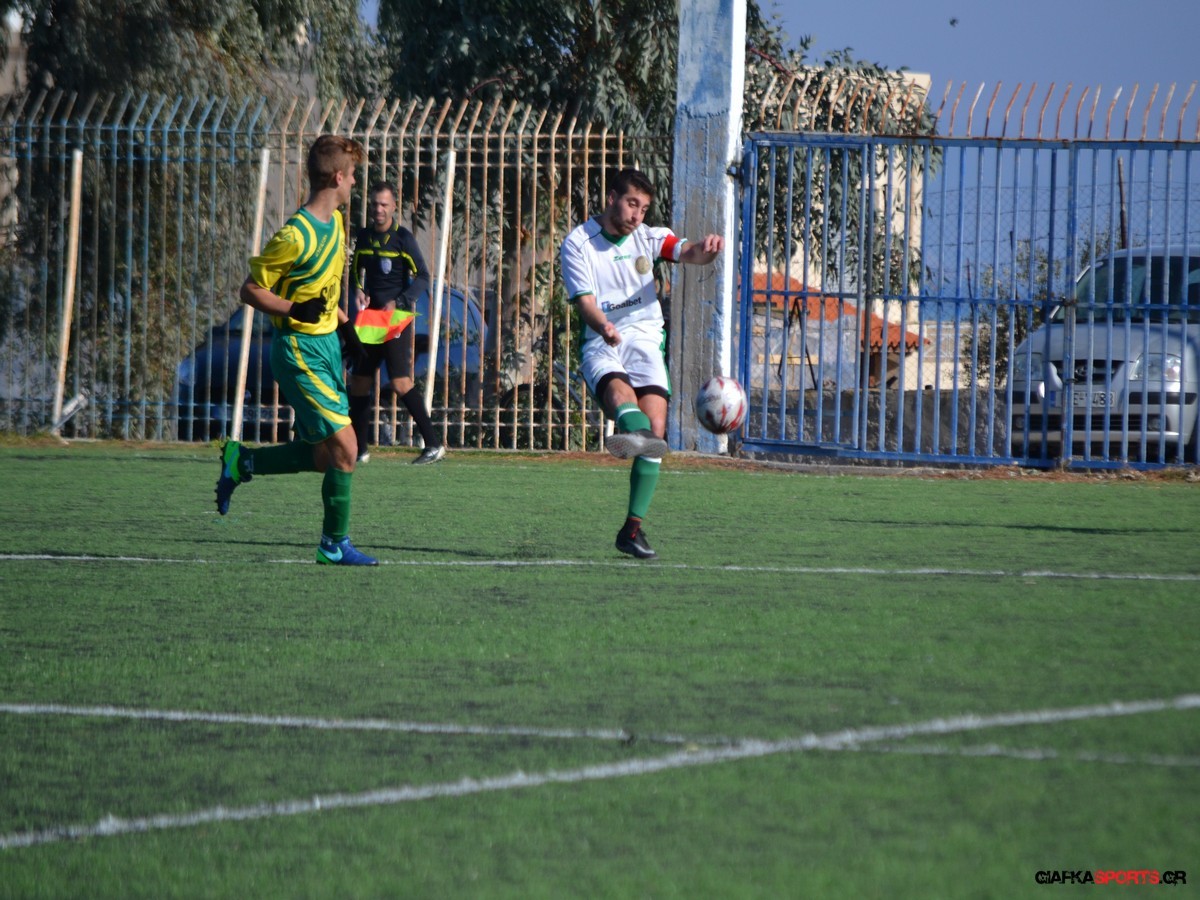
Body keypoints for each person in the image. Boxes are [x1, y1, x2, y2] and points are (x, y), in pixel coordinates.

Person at [214, 133, 378, 566]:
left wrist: (347, 328)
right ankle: (333, 545)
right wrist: (292, 309)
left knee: (325, 457)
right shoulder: (295, 234)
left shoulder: (337, 224)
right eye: (353, 175)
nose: (355, 183)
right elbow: (250, 290)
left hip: (326, 346)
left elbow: (322, 291)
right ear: (338, 177)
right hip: (299, 351)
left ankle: (241, 463)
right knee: (347, 447)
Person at [559, 168, 724, 560]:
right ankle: (632, 431)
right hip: (602, 340)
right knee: (624, 402)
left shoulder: (648, 237)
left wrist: (709, 249)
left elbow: (688, 252)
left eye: (644, 208)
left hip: (646, 340)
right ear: (612, 198)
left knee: (656, 435)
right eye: (632, 204)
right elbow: (585, 303)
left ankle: (631, 531)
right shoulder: (579, 243)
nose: (637, 215)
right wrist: (604, 326)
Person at [348, 180, 445, 464]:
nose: (378, 209)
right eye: (374, 204)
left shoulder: (403, 238)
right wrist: (358, 291)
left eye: (384, 204)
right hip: (371, 320)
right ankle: (360, 450)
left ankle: (433, 444)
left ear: (393, 207)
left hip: (394, 321)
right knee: (359, 382)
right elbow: (355, 271)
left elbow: (423, 276)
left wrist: (401, 301)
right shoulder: (364, 237)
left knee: (401, 382)